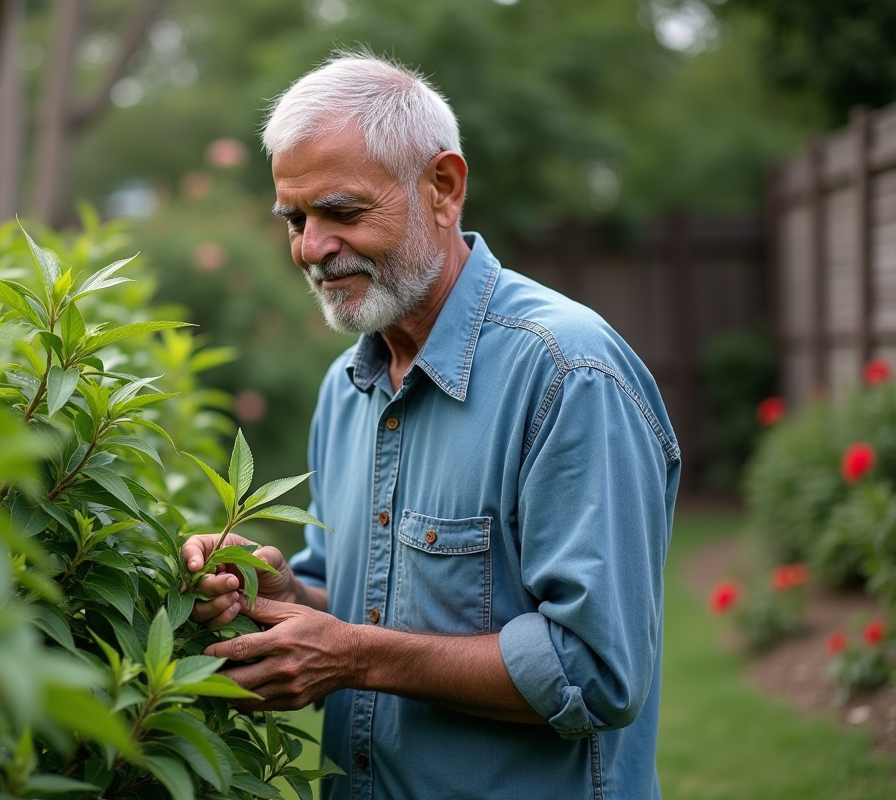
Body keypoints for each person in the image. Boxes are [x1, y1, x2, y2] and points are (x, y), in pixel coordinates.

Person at [182, 53, 680, 800]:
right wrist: (283, 595)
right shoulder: (348, 384)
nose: (312, 248)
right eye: (295, 218)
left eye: (342, 212)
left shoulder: (567, 372)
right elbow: (357, 607)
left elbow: (595, 671)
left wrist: (352, 656)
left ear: (442, 189)